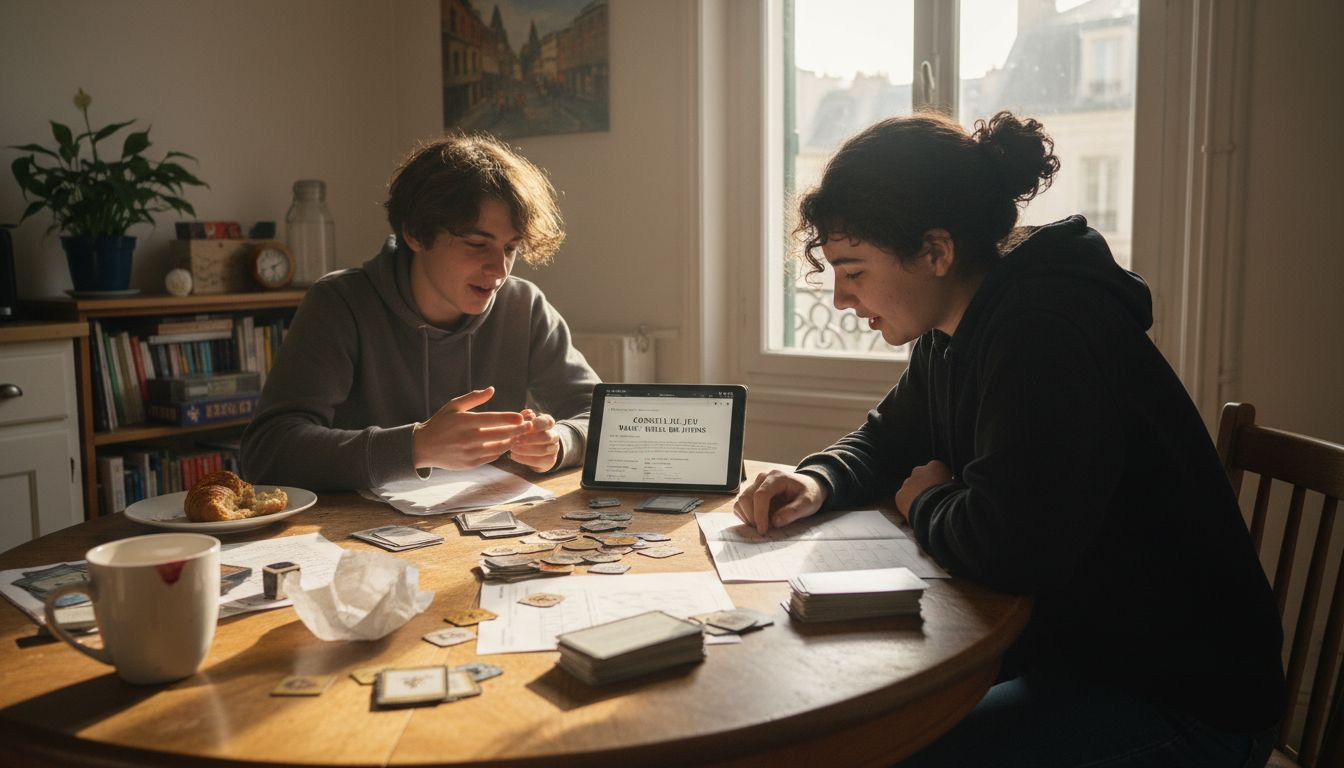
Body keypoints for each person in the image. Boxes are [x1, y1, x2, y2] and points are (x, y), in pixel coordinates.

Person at [733, 111, 1284, 767]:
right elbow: (885, 442)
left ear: (936, 252)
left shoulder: (1045, 330)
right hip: (1076, 655)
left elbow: (1011, 548)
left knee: (882, 752)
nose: (841, 299)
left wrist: (929, 500)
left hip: (1181, 701)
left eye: (852, 270)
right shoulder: (954, 327)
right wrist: (816, 479)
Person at [241, 133, 599, 490]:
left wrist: (559, 442)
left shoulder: (523, 306)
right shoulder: (339, 304)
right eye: (477, 244)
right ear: (415, 234)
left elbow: (604, 414)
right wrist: (415, 446)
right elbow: (268, 450)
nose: (499, 269)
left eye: (510, 247)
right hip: (353, 535)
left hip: (483, 529)